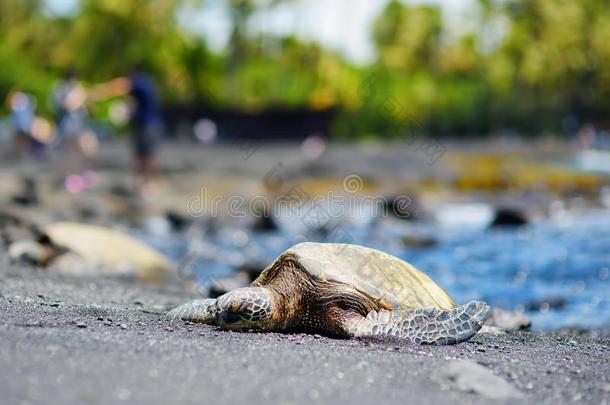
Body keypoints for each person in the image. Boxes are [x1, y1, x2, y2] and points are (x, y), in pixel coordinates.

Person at [53, 69, 98, 193]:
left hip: (81, 126)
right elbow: (65, 105)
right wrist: (78, 99)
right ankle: (72, 178)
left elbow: (90, 110)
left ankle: (83, 174)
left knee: (87, 149)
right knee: (71, 153)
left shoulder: (79, 88)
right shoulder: (61, 89)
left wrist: (87, 102)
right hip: (67, 127)